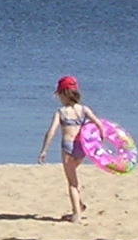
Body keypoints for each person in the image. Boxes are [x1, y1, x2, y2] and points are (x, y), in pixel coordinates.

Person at [38, 75, 105, 223]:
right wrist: (101, 138)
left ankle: (77, 214)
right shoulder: (84, 109)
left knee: (72, 183)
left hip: (68, 148)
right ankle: (79, 205)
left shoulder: (60, 112)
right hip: (81, 149)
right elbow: (99, 124)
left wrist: (44, 150)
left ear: (63, 94)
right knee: (74, 176)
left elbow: (51, 131)